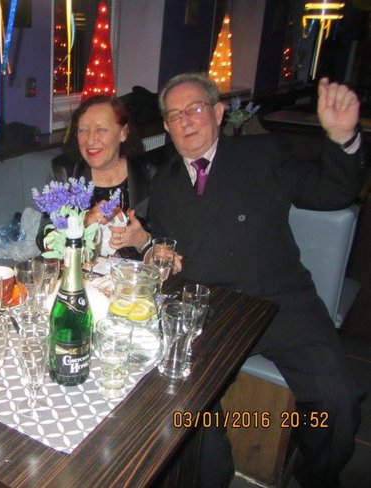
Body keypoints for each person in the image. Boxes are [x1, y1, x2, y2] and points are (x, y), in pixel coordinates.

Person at [148, 72, 366, 487]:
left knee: (337, 401)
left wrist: (343, 138)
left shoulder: (263, 153)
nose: (185, 121)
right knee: (183, 402)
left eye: (194, 109)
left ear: (218, 112)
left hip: (278, 302)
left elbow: (329, 192)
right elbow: (162, 240)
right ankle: (213, 473)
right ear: (166, 126)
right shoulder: (164, 180)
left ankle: (316, 477)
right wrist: (152, 249)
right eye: (174, 115)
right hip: (207, 311)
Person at [39, 95, 155, 260]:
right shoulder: (65, 171)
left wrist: (143, 241)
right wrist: (83, 222)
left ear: (123, 133)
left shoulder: (149, 173)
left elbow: (168, 244)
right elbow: (44, 240)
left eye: (101, 129)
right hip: (81, 272)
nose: (90, 140)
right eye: (83, 130)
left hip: (134, 273)